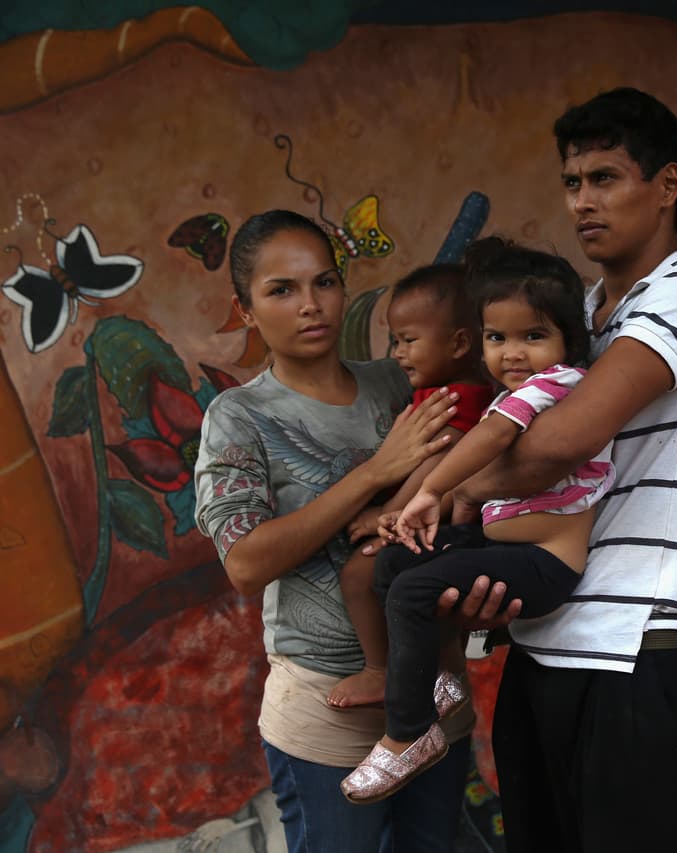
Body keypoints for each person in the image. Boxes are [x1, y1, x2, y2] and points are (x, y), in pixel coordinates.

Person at [437, 87, 677, 852]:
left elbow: (558, 444)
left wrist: (450, 486)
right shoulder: (574, 315)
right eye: (572, 182)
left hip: (633, 658)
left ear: (668, 184)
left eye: (605, 178)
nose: (583, 201)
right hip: (541, 647)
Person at [193, 209, 488, 852]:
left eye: (324, 282)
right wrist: (376, 473)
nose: (311, 304)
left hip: (435, 701)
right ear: (245, 310)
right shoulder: (240, 416)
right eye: (282, 290)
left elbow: (481, 463)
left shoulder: (401, 381)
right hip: (327, 716)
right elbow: (245, 564)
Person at [339, 236, 614, 803]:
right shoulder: (515, 390)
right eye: (497, 338)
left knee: (413, 590)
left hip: (543, 564)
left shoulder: (558, 384)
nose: (512, 353)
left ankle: (408, 734)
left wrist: (430, 492)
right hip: (501, 550)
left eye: (533, 336)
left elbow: (491, 438)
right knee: (397, 563)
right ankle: (438, 683)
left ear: (568, 342)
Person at [328, 263, 493, 708]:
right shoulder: (446, 391)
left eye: (408, 340)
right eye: (395, 341)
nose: (398, 353)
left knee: (360, 574)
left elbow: (444, 462)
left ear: (459, 343)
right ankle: (439, 678)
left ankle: (380, 672)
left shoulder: (458, 398)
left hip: (434, 523)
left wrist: (391, 514)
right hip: (427, 521)